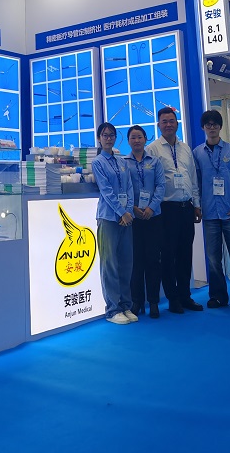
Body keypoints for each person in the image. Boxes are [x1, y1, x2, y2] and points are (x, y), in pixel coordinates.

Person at [146, 107, 203, 314]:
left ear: (177, 124)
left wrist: (197, 204)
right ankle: (172, 298)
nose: (168, 124)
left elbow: (193, 179)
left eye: (172, 121)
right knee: (168, 255)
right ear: (158, 125)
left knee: (185, 253)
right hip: (166, 209)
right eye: (164, 121)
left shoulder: (186, 149)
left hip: (186, 207)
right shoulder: (152, 149)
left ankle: (185, 295)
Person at [193, 109, 230, 312]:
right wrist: (197, 205)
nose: (212, 127)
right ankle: (217, 296)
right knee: (214, 259)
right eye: (208, 124)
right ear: (203, 127)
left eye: (215, 124)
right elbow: (196, 183)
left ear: (220, 127)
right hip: (209, 214)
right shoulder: (197, 153)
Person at [92, 122, 136, 325]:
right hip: (109, 217)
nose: (108, 138)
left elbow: (130, 188)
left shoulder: (122, 162)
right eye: (105, 135)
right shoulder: (98, 162)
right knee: (109, 264)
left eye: (111, 135)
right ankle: (112, 309)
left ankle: (126, 305)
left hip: (126, 218)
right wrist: (121, 212)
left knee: (126, 263)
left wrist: (129, 212)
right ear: (99, 138)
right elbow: (106, 190)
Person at [125, 125, 166, 318]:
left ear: (145, 139)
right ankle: (137, 301)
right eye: (133, 137)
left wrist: (151, 207)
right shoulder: (124, 163)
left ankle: (154, 301)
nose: (137, 140)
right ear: (128, 141)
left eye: (140, 137)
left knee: (153, 260)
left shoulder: (155, 161)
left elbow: (161, 186)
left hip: (153, 217)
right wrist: (133, 207)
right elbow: (123, 187)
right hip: (134, 218)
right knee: (136, 261)